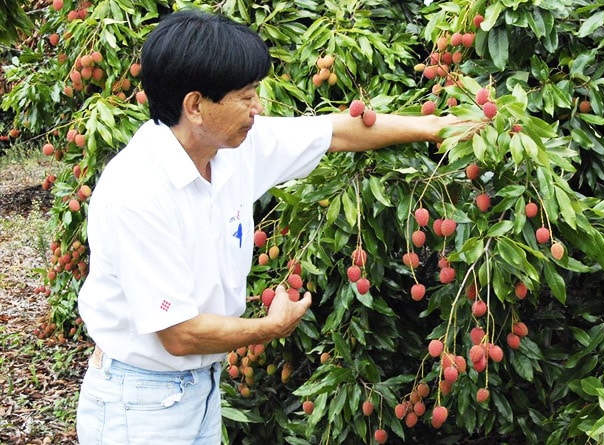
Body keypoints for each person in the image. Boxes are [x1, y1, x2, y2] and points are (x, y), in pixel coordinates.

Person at [75, 8, 456, 444]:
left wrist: (437, 127)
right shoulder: (137, 192)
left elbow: (337, 131)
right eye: (247, 95)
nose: (259, 107)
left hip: (200, 389)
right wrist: (271, 327)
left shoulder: (232, 147)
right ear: (196, 106)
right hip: (140, 402)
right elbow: (180, 335)